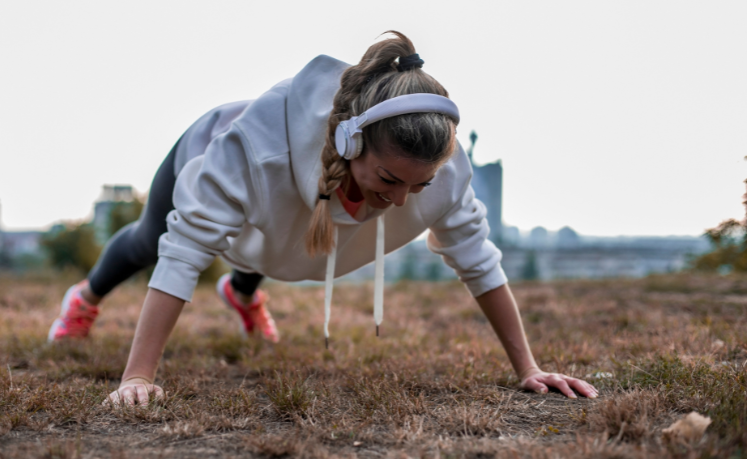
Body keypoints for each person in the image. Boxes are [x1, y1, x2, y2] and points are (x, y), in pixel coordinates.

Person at [47, 31, 599, 405]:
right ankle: (84, 300)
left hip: (281, 223)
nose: (404, 201)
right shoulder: (252, 156)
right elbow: (183, 254)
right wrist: (137, 377)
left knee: (284, 236)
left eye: (420, 184)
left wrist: (528, 368)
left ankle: (242, 294)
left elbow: (480, 264)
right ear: (350, 143)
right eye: (389, 180)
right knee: (151, 238)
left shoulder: (447, 173)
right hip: (208, 143)